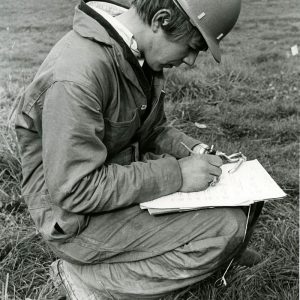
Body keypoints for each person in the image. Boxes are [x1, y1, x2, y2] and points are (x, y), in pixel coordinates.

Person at [15, 0, 263, 298]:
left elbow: (153, 129)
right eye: (193, 46)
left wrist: (195, 151)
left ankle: (218, 253)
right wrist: (177, 175)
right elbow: (75, 189)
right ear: (161, 19)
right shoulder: (78, 74)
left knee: (246, 199)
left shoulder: (136, 54)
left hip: (115, 185)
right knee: (226, 227)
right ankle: (84, 281)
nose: (192, 60)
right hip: (74, 221)